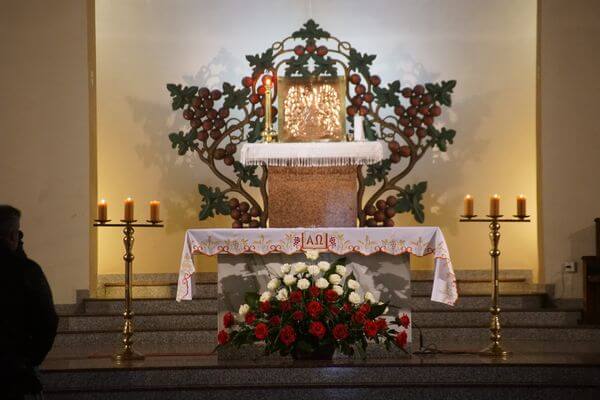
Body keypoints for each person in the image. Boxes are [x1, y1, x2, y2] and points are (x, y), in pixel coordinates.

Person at [0, 205, 58, 399]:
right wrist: (30, 360)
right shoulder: (26, 271)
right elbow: (47, 321)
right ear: (12, 236)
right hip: (15, 371)